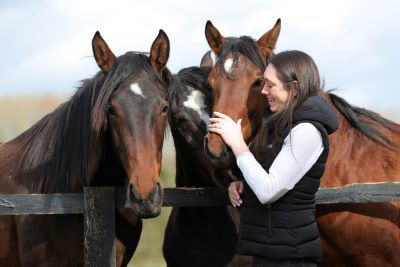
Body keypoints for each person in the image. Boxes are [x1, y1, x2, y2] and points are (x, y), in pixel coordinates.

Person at [209, 50, 338, 267]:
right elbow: (272, 179)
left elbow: (269, 191)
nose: (264, 91)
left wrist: (238, 144)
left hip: (290, 258)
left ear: (294, 87)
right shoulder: (280, 127)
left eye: (270, 85)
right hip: (271, 252)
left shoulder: (306, 131)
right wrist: (245, 185)